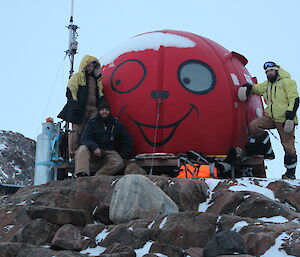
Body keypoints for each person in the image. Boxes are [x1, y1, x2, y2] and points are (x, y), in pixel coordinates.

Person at [238, 61, 299, 179]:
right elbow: (257, 88)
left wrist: (290, 117)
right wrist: (247, 87)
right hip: (271, 117)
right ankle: (265, 149)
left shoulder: (288, 82)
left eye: (271, 70)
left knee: (288, 146)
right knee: (254, 126)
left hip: (285, 120)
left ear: (277, 71)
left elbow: (294, 99)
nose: (269, 73)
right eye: (267, 72)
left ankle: (290, 173)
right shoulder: (267, 85)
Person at [58, 55, 105, 157]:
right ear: (85, 65)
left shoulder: (97, 80)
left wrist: (102, 104)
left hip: (94, 108)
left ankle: (92, 152)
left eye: (92, 67)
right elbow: (71, 89)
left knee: (94, 128)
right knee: (78, 129)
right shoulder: (78, 77)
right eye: (89, 66)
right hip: (82, 107)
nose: (90, 68)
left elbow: (100, 93)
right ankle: (73, 153)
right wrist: (74, 103)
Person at [74, 102, 133, 177]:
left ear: (109, 111)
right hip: (92, 151)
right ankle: (82, 175)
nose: (104, 112)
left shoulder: (116, 124)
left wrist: (124, 154)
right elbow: (85, 138)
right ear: (99, 111)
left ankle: (98, 177)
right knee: (82, 149)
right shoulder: (92, 123)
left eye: (107, 110)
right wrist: (94, 147)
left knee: (118, 162)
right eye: (102, 110)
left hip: (109, 151)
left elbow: (127, 139)